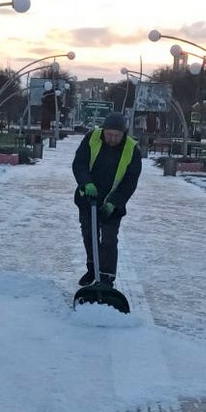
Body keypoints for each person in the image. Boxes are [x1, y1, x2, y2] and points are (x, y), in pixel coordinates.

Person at [71, 111, 141, 287]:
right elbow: (79, 163)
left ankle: (107, 277)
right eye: (109, 134)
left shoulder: (132, 149)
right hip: (88, 199)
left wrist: (113, 203)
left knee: (109, 239)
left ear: (124, 134)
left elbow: (129, 182)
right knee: (89, 235)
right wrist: (86, 183)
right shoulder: (92, 138)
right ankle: (92, 269)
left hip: (113, 204)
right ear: (103, 130)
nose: (112, 138)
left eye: (116, 136)